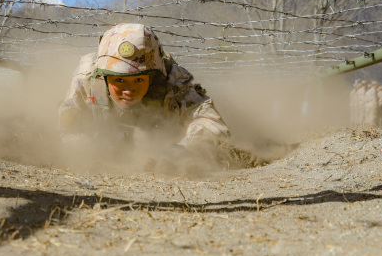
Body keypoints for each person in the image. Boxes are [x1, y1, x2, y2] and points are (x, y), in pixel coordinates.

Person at [59, 23, 258, 171]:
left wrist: (185, 151)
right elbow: (67, 123)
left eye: (138, 80)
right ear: (103, 76)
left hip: (167, 139)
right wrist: (85, 147)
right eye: (120, 80)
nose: (129, 90)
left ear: (152, 76)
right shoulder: (86, 78)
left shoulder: (173, 81)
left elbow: (210, 123)